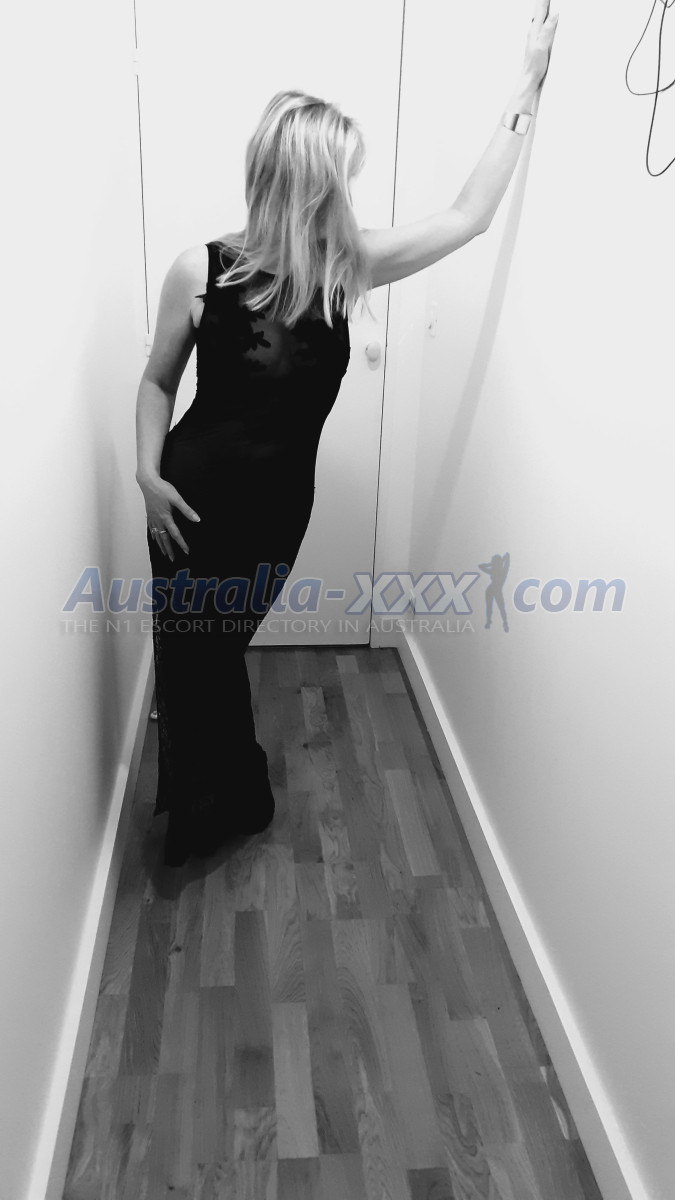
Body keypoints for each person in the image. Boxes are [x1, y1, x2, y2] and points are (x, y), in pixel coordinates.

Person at [136, 2, 559, 868]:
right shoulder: (198, 269)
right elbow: (156, 383)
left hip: (275, 511)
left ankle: (217, 783)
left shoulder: (348, 266)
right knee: (192, 654)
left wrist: (524, 87)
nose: (348, 193)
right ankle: (214, 802)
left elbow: (468, 216)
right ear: (303, 181)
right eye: (340, 178)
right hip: (187, 498)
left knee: (216, 647)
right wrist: (145, 474)